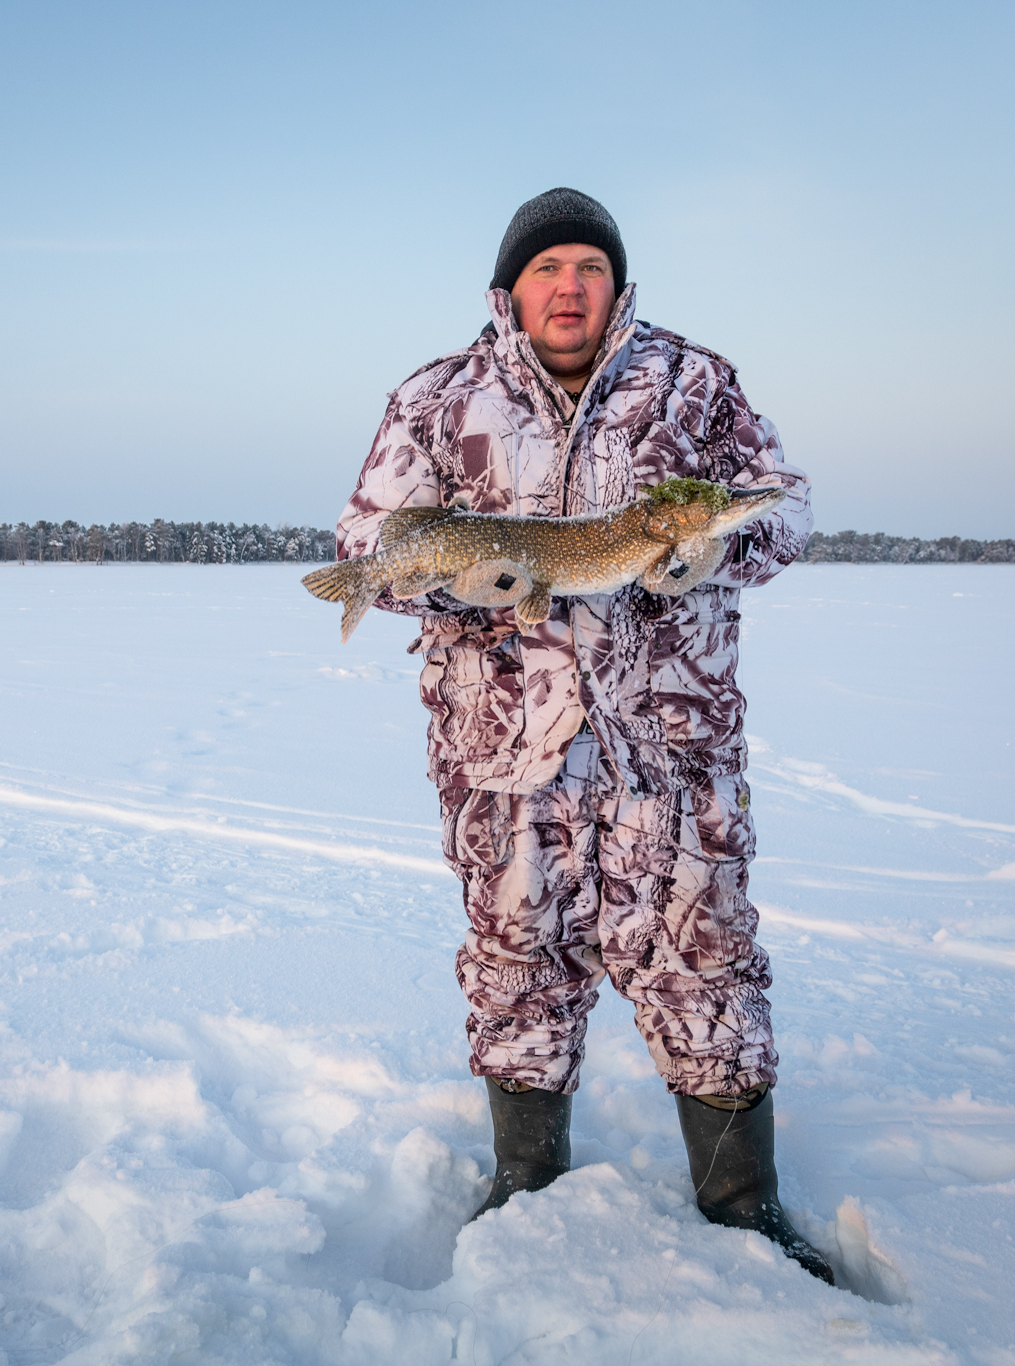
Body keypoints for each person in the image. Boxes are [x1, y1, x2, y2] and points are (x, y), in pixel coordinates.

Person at [332, 188, 831, 1283]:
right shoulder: (435, 395)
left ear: (616, 285)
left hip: (670, 749)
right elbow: (369, 534)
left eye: (588, 268)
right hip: (505, 753)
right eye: (547, 267)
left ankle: (744, 1204)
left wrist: (713, 554)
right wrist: (462, 587)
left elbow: (782, 505)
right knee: (517, 964)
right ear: (509, 289)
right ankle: (523, 1179)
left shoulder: (693, 385)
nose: (569, 285)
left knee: (706, 963)